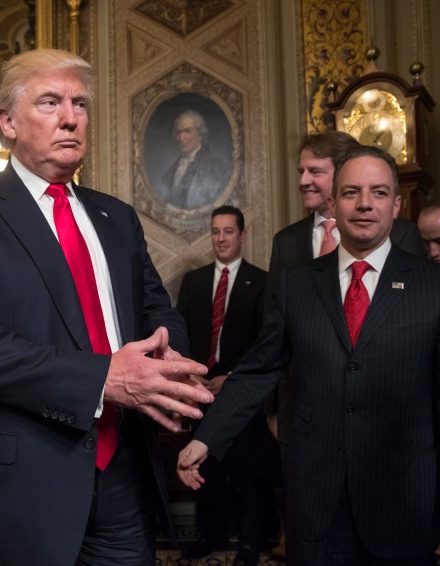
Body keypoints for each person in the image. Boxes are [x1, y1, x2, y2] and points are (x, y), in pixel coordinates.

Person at [0, 48, 214, 566]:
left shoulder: (115, 217)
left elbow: (157, 309)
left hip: (121, 474)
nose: (71, 117)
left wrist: (167, 365)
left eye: (79, 104)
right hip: (15, 479)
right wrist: (103, 379)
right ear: (7, 122)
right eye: (50, 102)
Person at [177, 145, 440, 565]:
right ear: (333, 204)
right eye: (352, 192)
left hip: (403, 500)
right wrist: (209, 437)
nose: (365, 204)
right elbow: (260, 367)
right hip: (318, 501)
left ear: (395, 204)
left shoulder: (432, 284)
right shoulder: (298, 284)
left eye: (378, 192)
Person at [265, 131, 424, 440]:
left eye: (315, 171)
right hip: (306, 414)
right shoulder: (286, 241)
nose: (303, 180)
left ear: (342, 171)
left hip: (386, 416)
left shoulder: (401, 235)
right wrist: (273, 408)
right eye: (301, 171)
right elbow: (272, 333)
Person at [176, 206, 277, 565]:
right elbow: (182, 332)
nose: (221, 238)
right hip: (200, 388)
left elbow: (267, 340)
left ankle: (251, 541)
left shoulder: (263, 280)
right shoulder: (195, 281)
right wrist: (191, 372)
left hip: (243, 391)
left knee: (248, 470)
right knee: (206, 469)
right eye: (215, 231)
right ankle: (210, 534)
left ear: (242, 235)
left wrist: (232, 378)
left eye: (228, 231)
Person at [159, 109, 229, 210]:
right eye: (178, 132)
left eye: (187, 131)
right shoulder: (170, 171)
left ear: (200, 134)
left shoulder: (218, 168)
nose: (181, 138)